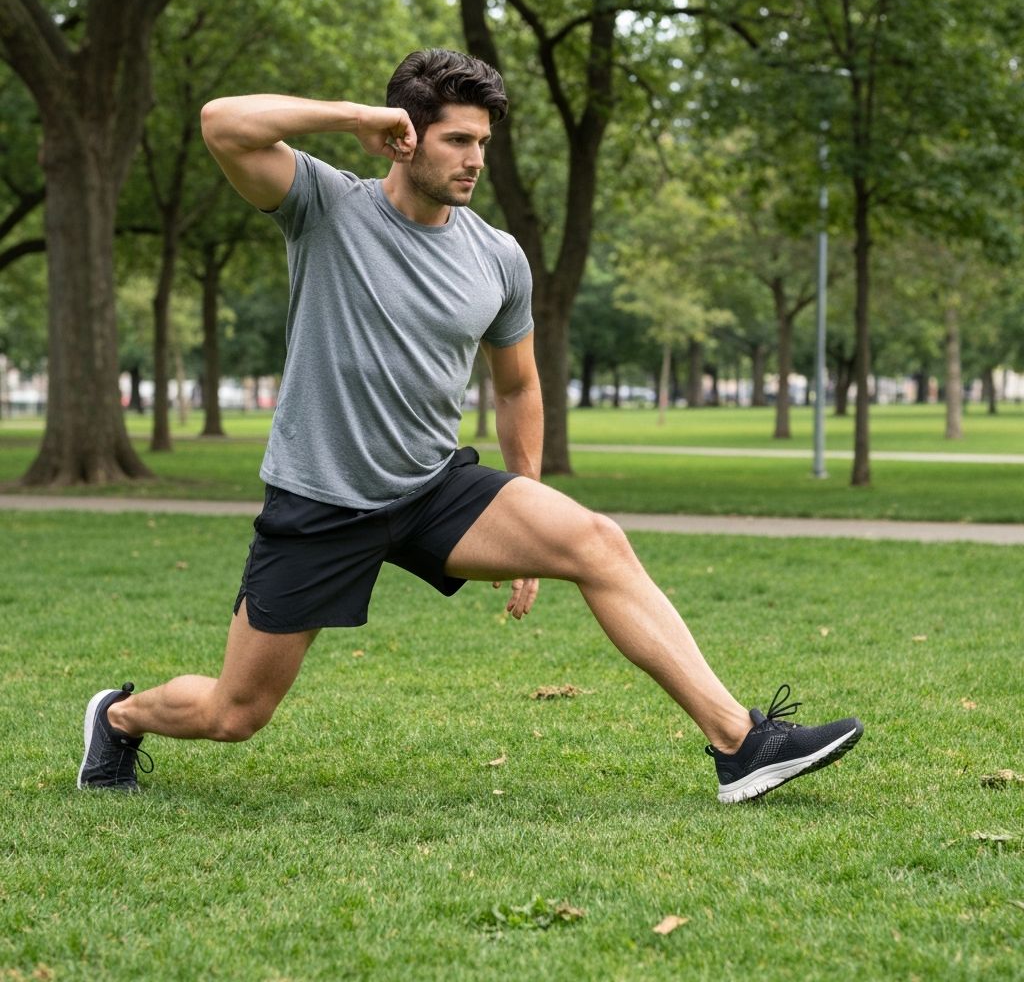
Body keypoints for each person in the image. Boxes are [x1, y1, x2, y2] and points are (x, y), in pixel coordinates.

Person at [78, 48, 863, 804]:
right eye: (458, 139)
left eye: (483, 142)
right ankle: (119, 717)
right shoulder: (324, 206)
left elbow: (518, 385)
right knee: (235, 713)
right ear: (405, 136)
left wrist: (531, 507)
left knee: (597, 541)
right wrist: (354, 116)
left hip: (432, 488)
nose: (476, 159)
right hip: (322, 500)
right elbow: (222, 123)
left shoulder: (498, 257)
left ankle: (739, 742)